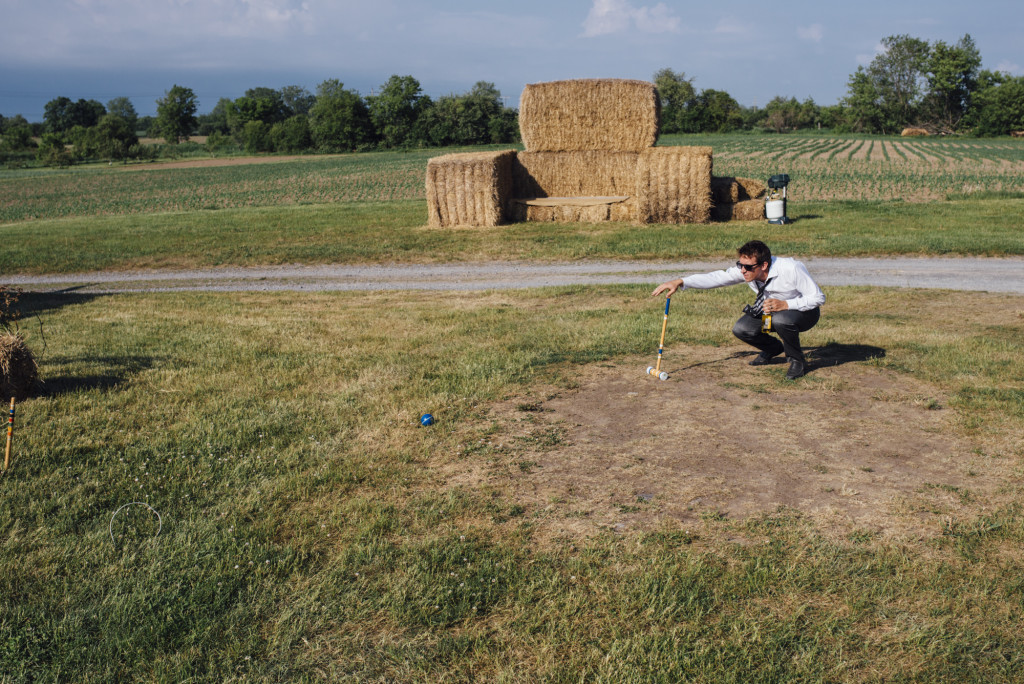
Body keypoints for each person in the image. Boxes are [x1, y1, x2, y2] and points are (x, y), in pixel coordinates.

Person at [651, 240, 825, 380]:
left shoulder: (791, 268)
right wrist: (680, 281)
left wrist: (786, 305)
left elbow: (818, 298)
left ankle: (797, 361)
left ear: (764, 265)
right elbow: (717, 278)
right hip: (771, 310)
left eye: (747, 267)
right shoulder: (747, 269)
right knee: (742, 329)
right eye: (740, 265)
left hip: (805, 313)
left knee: (781, 320)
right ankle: (773, 348)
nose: (742, 270)